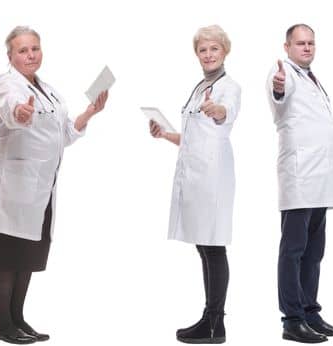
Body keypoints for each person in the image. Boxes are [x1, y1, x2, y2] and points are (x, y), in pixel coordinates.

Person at [0, 25, 108, 345]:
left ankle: (17, 318)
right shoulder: (7, 83)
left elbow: (63, 134)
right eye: (22, 50)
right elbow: (10, 108)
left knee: (27, 254)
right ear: (10, 55)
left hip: (41, 187)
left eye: (35, 48)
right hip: (13, 186)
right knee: (7, 253)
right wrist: (19, 112)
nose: (30, 55)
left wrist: (90, 112)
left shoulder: (47, 89)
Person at [266, 24, 333, 344]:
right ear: (287, 47)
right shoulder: (283, 72)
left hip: (320, 179)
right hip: (300, 177)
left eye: (311, 43)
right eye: (300, 43)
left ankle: (310, 312)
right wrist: (279, 87)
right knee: (294, 250)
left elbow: (321, 127)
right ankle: (292, 320)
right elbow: (279, 98)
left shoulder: (312, 78)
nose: (307, 48)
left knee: (314, 252)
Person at [147, 25, 240, 345]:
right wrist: (165, 134)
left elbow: (223, 114)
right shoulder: (201, 85)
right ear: (197, 54)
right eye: (203, 50)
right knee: (204, 246)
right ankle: (210, 319)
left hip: (212, 176)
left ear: (225, 51)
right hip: (196, 173)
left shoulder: (229, 87)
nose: (209, 54)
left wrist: (217, 109)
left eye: (214, 48)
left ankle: (216, 323)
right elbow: (192, 138)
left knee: (213, 245)